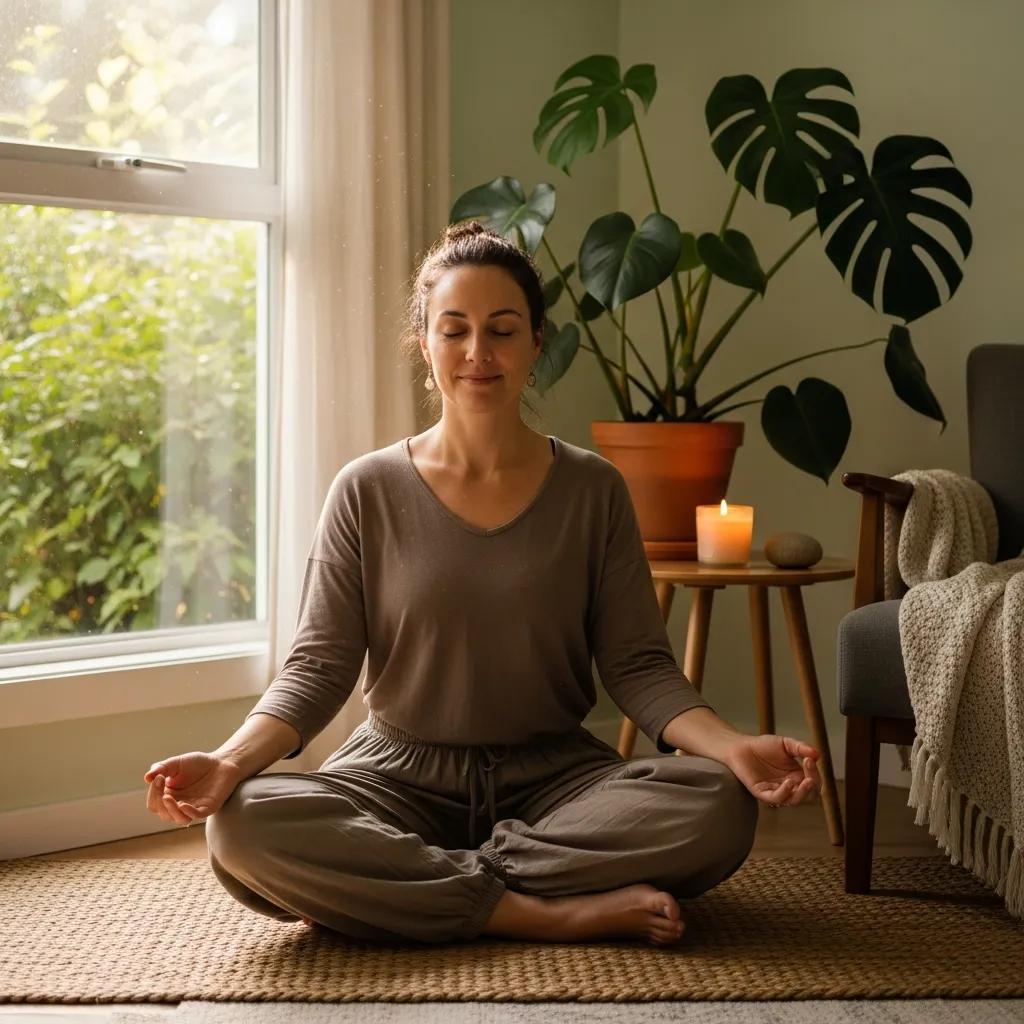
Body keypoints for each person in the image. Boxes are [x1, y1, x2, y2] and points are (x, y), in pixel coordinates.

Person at [142, 221, 822, 947]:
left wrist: (731, 746)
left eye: (502, 330)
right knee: (244, 826)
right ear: (425, 346)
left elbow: (639, 667)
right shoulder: (365, 489)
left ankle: (412, 890)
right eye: (454, 329)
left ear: (536, 345)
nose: (478, 353)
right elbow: (317, 669)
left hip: (559, 781)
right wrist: (227, 761)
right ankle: (538, 911)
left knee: (718, 803)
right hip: (393, 777)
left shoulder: (593, 488)